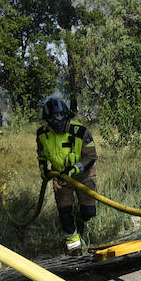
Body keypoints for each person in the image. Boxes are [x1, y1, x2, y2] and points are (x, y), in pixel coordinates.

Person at [36, 96, 97, 254]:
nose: (58, 125)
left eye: (61, 121)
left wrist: (74, 169)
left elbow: (91, 156)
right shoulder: (42, 134)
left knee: (88, 212)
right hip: (61, 178)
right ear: (48, 122)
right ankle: (73, 247)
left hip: (84, 175)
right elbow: (41, 154)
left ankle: (80, 219)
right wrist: (43, 168)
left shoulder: (80, 131)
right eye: (54, 123)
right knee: (64, 212)